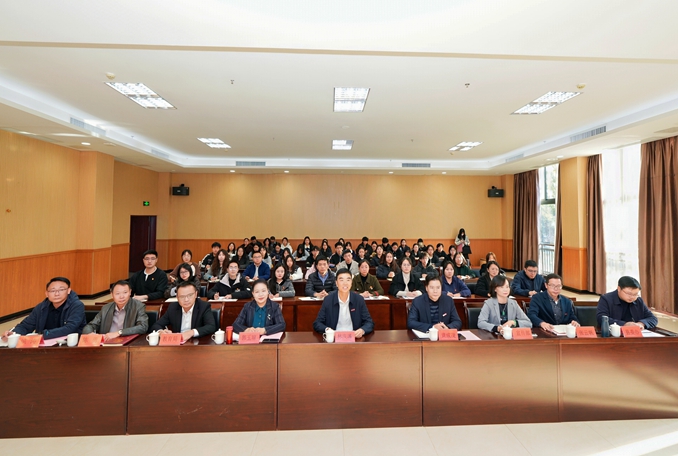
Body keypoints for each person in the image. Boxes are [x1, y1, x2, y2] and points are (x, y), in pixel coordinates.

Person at [2, 277, 85, 341]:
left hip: (69, 343)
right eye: (52, 291)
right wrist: (14, 333)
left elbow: (70, 328)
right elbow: (26, 325)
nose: (57, 294)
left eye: (61, 290)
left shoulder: (76, 305)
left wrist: (44, 334)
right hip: (44, 343)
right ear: (46, 294)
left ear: (69, 291)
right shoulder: (41, 307)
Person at [313, 268, 374, 338]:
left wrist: (362, 330)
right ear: (336, 283)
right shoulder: (328, 299)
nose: (345, 283)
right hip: (335, 338)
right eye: (341, 280)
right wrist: (328, 330)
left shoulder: (358, 299)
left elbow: (369, 322)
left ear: (351, 282)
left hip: (353, 338)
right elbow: (317, 323)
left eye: (348, 280)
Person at [83, 280, 148, 339]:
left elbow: (143, 327)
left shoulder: (138, 306)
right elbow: (91, 325)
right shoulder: (106, 308)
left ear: (130, 292)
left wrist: (119, 333)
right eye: (117, 293)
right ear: (112, 295)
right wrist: (90, 334)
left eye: (125, 292)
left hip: (127, 342)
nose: (121, 296)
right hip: (106, 342)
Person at [151, 282, 216, 340]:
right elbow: (156, 325)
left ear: (196, 294)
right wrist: (161, 332)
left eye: (190, 295)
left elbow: (211, 326)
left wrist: (192, 332)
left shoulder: (203, 306)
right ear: (177, 297)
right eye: (182, 297)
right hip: (177, 345)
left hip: (197, 343)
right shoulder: (173, 307)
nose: (186, 300)